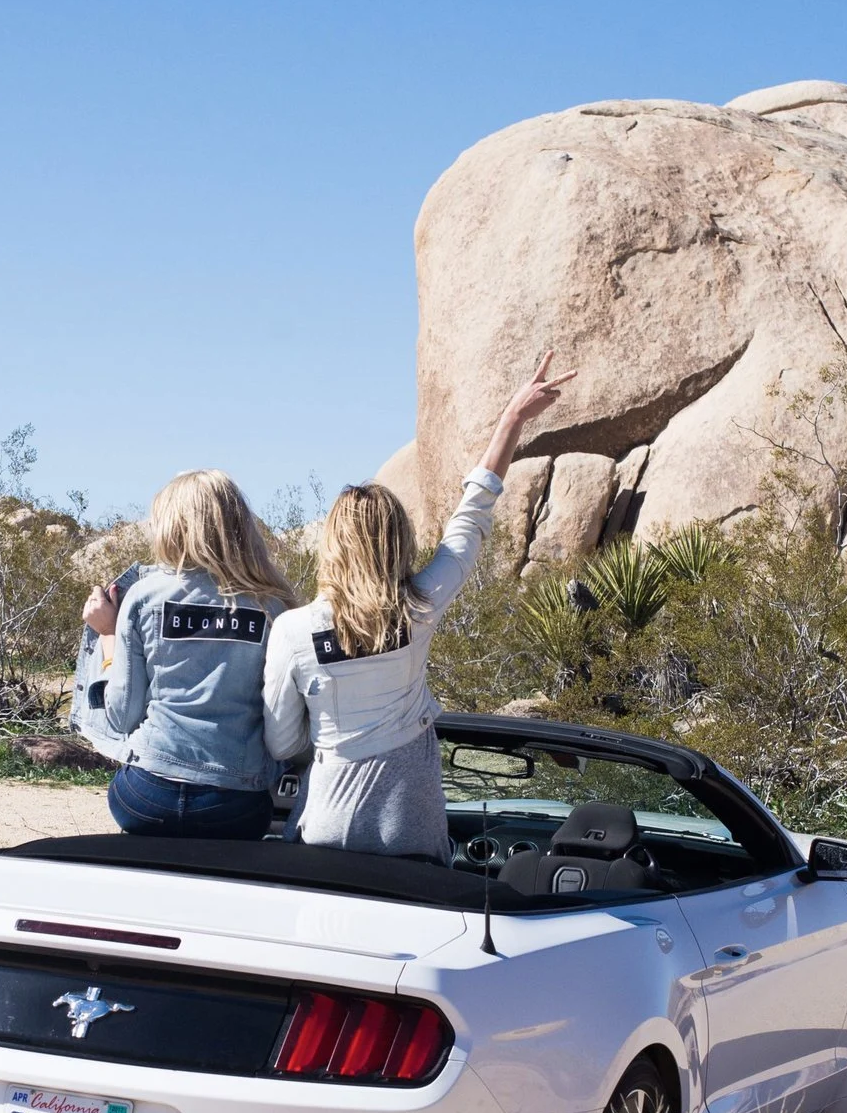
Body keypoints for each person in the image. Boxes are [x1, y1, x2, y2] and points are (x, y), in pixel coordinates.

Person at [263, 354, 576, 860]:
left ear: (331, 545)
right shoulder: (419, 606)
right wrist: (511, 420)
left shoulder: (294, 631)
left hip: (327, 829)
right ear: (398, 541)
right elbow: (471, 518)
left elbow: (280, 744)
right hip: (412, 827)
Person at [84, 469, 298, 840]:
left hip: (146, 796)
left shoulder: (145, 596)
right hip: (236, 803)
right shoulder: (273, 607)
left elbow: (121, 715)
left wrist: (107, 636)